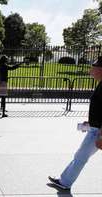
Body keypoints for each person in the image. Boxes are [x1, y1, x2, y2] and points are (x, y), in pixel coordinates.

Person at [48, 56, 102, 190]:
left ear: (101, 70)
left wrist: (101, 135)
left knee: (80, 157)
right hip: (95, 128)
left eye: (93, 68)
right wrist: (90, 121)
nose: (90, 71)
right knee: (80, 156)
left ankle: (65, 182)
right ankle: (64, 181)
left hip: (98, 132)